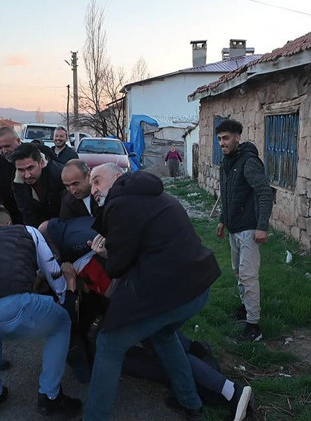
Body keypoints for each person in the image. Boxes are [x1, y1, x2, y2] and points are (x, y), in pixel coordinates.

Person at [45, 215, 253, 421]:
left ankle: (228, 391)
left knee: (146, 346)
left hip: (138, 300)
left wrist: (72, 284)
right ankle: (207, 394)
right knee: (164, 343)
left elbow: (109, 287)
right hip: (146, 295)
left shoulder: (82, 248)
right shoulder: (86, 232)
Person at [82, 163, 221, 421]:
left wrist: (104, 253)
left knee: (108, 344)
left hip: (171, 293)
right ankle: (191, 404)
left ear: (119, 178)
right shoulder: (156, 195)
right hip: (198, 287)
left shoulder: (120, 204)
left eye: (97, 181)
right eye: (91, 184)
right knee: (163, 335)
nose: (93, 190)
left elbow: (118, 266)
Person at [0, 206, 82, 419]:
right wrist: (64, 296)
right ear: (9, 224)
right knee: (61, 323)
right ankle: (50, 397)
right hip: (8, 308)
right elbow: (51, 269)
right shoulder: (27, 231)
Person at [215, 119, 274, 343]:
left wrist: (261, 227)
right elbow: (227, 193)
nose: (222, 143)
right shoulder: (226, 162)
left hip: (249, 229)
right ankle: (245, 308)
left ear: (238, 137)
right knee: (238, 273)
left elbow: (264, 193)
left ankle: (254, 326)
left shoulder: (249, 162)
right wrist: (222, 219)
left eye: (226, 138)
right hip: (233, 227)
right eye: (219, 139)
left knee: (248, 276)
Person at [11, 142, 66, 228]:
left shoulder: (60, 176)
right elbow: (27, 214)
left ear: (41, 162)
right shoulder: (18, 183)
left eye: (30, 168)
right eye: (21, 170)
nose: (27, 175)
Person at [0, 126, 23, 224]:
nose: (4, 151)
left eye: (7, 146)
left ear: (18, 141)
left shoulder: (32, 155)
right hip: (11, 216)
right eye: (0, 148)